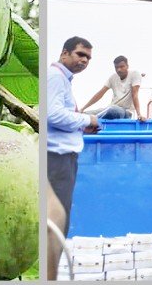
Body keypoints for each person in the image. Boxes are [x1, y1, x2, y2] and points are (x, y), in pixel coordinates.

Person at [47, 36, 100, 237]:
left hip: (63, 159)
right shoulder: (55, 77)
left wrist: (80, 127)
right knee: (57, 221)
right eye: (80, 54)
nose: (85, 60)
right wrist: (87, 120)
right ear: (64, 53)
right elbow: (52, 114)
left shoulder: (63, 80)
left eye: (88, 58)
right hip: (57, 158)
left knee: (60, 218)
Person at [80, 55, 146, 121]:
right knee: (84, 114)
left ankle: (92, 120)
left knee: (112, 110)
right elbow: (100, 94)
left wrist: (139, 114)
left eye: (122, 66)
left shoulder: (134, 74)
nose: (119, 69)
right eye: (116, 67)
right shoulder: (113, 77)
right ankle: (88, 119)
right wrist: (82, 109)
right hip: (110, 109)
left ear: (127, 66)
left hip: (125, 112)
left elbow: (135, 94)